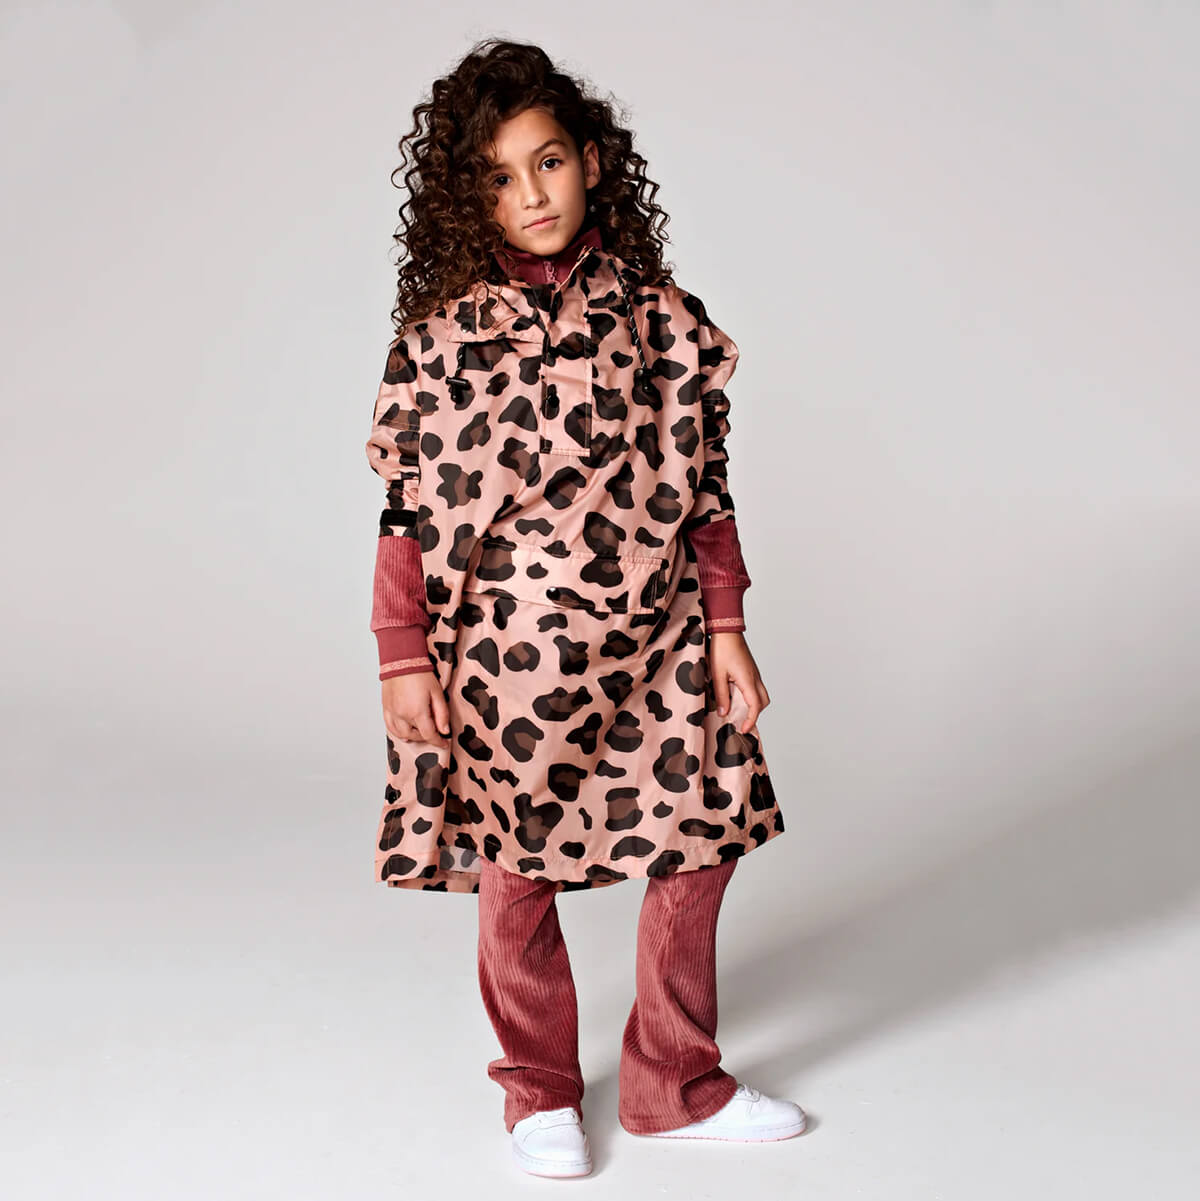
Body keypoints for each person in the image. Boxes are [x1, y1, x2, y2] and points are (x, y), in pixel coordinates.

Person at [364, 37, 806, 1177]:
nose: (532, 195)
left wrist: (726, 627)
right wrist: (401, 652)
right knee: (516, 869)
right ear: (469, 201)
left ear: (594, 162)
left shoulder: (663, 324)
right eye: (501, 178)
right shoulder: (441, 344)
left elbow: (708, 489)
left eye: (549, 162)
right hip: (505, 655)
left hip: (660, 639)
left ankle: (672, 1080)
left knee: (703, 834)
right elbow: (405, 509)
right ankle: (538, 1088)